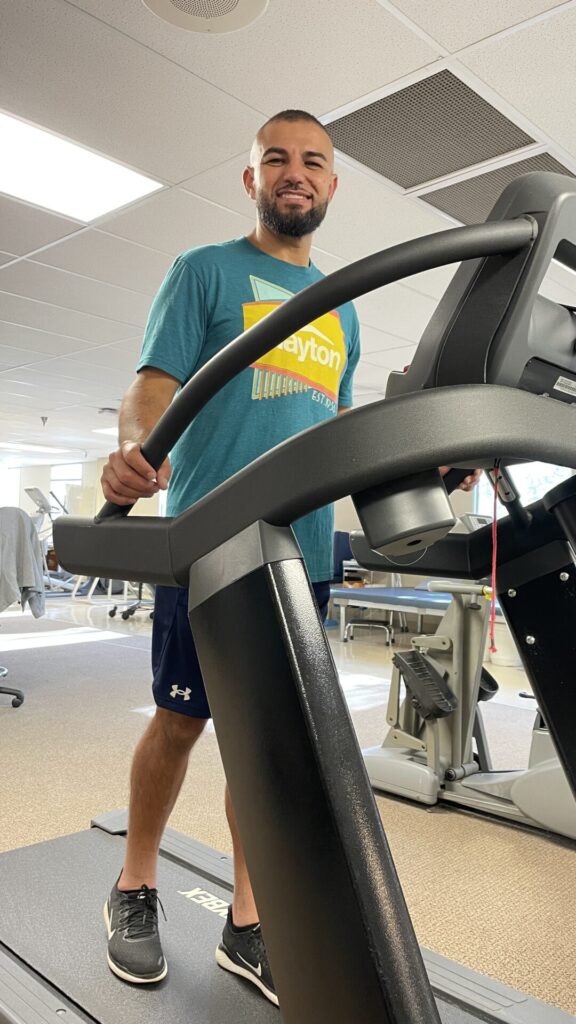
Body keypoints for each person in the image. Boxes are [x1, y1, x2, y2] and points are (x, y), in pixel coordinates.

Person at [100, 109, 480, 1007]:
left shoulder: (340, 309)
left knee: (266, 752)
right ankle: (136, 886)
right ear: (253, 179)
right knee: (180, 720)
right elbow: (153, 383)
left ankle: (247, 922)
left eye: (313, 161)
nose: (295, 173)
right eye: (278, 159)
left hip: (300, 556)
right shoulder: (204, 271)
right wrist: (136, 445)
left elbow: (330, 431)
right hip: (209, 540)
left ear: (333, 184)